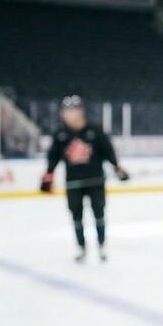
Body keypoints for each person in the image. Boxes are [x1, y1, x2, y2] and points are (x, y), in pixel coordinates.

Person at [41, 95, 129, 263]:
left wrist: (116, 166)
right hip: (73, 183)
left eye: (71, 110)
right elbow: (53, 157)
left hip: (95, 181)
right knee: (76, 216)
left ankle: (101, 246)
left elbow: (107, 151)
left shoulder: (94, 131)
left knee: (99, 214)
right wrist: (49, 175)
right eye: (65, 111)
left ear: (80, 111)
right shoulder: (61, 134)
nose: (67, 114)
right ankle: (81, 248)